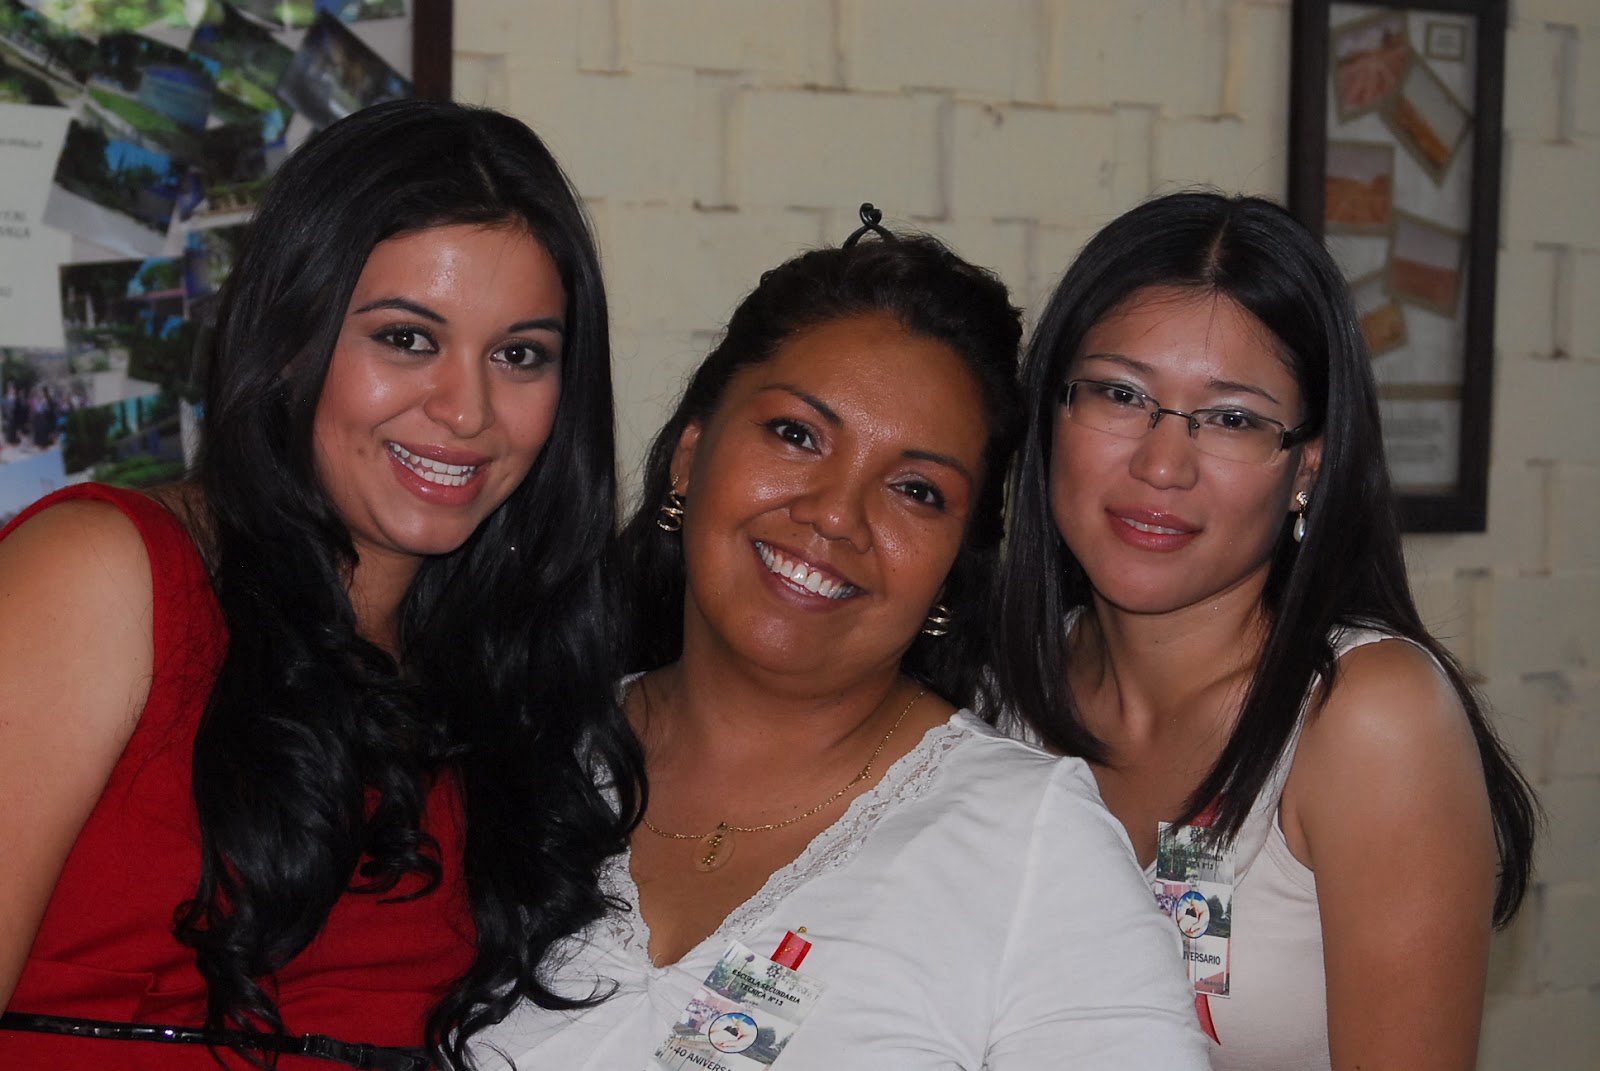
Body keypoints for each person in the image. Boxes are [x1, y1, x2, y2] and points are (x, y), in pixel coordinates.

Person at [478, 208, 1211, 1070]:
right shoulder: (518, 757)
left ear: (954, 566)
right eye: (797, 435)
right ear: (690, 454)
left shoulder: (1031, 842)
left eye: (916, 490)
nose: (834, 514)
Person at [0, 100, 643, 1070]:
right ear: (292, 340)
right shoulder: (105, 575)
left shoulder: (514, 691)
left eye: (519, 355)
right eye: (408, 338)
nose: (466, 410)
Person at [993, 191, 1537, 1071]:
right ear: (1051, 412)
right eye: (1121, 394)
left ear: (1306, 468)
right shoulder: (996, 694)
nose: (1161, 464)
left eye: (1233, 418)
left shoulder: (1368, 717)